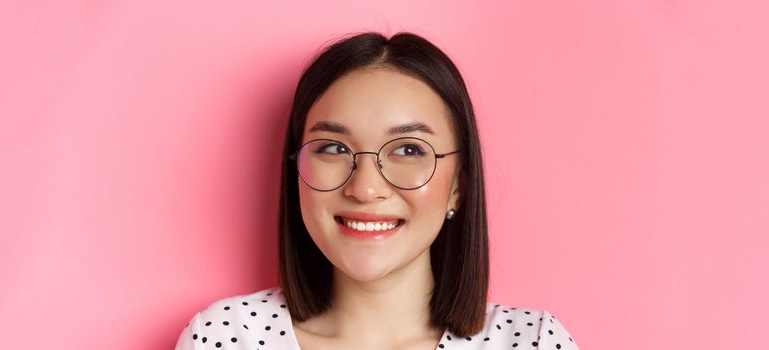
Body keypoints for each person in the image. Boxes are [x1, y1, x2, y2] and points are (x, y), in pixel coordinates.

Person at [175, 31, 579, 350]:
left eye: (408, 149)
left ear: (459, 185)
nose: (365, 188)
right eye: (333, 148)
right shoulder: (225, 338)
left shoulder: (533, 342)